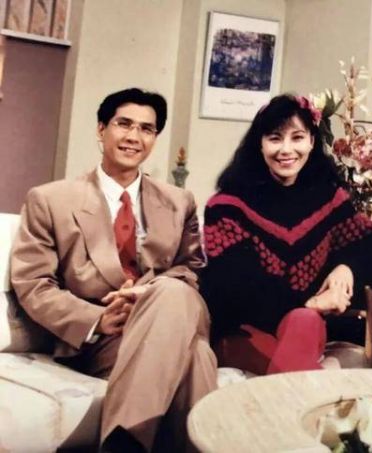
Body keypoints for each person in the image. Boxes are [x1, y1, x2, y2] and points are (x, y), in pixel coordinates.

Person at [10, 88, 217, 452]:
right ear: (101, 129)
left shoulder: (179, 201)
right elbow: (34, 284)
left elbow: (192, 270)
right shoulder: (50, 200)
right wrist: (97, 319)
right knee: (197, 356)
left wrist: (149, 295)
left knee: (171, 292)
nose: (134, 137)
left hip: (170, 314)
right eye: (124, 124)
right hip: (103, 339)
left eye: (147, 129)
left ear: (154, 138)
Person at [200, 94, 372, 375]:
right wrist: (312, 303)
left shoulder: (328, 199)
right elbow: (236, 289)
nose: (286, 149)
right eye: (275, 138)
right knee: (306, 321)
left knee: (305, 320)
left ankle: (294, 392)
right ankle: (310, 385)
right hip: (244, 331)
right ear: (260, 143)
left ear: (312, 141)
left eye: (297, 138)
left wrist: (347, 268)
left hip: (304, 324)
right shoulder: (227, 206)